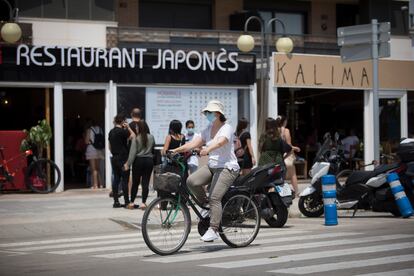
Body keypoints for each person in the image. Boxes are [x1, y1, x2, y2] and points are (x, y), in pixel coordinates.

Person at [171, 100, 239, 242]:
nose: (207, 114)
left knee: (215, 197)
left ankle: (213, 229)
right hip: (212, 166)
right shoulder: (208, 128)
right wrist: (175, 150)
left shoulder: (226, 127)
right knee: (191, 181)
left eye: (209, 112)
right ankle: (207, 206)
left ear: (218, 113)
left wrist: (208, 149)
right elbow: (193, 143)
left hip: (227, 167)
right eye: (206, 112)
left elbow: (221, 141)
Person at [125, 120, 155, 210]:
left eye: (137, 127)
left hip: (138, 161)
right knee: (145, 182)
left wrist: (128, 163)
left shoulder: (136, 138)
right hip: (149, 161)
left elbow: (132, 153)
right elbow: (153, 150)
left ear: (140, 128)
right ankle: (143, 203)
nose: (136, 129)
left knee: (135, 182)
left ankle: (132, 202)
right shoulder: (151, 137)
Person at [108, 114, 135, 208]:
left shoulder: (111, 132)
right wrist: (128, 127)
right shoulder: (123, 132)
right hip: (123, 158)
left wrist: (115, 152)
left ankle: (116, 201)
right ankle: (127, 201)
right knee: (125, 180)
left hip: (114, 157)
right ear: (123, 121)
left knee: (116, 179)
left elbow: (109, 147)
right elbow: (133, 136)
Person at [276, 115, 301, 196]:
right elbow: (289, 145)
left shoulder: (275, 131)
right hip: (287, 156)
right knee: (293, 174)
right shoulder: (286, 131)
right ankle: (296, 192)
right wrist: (295, 148)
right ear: (284, 122)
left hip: (278, 156)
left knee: (279, 176)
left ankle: (280, 193)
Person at [84, 119, 105, 189]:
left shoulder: (89, 130)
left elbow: (86, 141)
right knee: (98, 168)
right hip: (99, 149)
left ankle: (95, 185)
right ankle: (101, 184)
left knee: (93, 169)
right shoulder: (100, 129)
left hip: (91, 149)